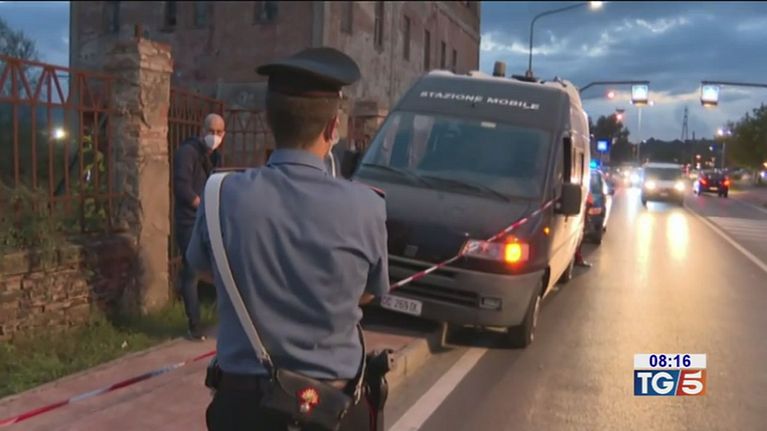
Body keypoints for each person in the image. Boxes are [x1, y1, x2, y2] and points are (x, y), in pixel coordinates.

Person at [185, 47, 390, 430]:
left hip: (243, 410)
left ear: (270, 121)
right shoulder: (367, 207)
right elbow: (368, 293)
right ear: (332, 128)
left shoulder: (220, 195)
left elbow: (205, 271)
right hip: (333, 410)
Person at [173, 113, 226, 341]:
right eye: (210, 131)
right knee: (192, 270)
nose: (214, 136)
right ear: (202, 130)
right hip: (189, 220)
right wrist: (202, 204)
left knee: (218, 268)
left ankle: (222, 320)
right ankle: (194, 326)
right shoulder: (187, 152)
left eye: (218, 132)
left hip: (208, 218)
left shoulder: (214, 156)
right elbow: (182, 187)